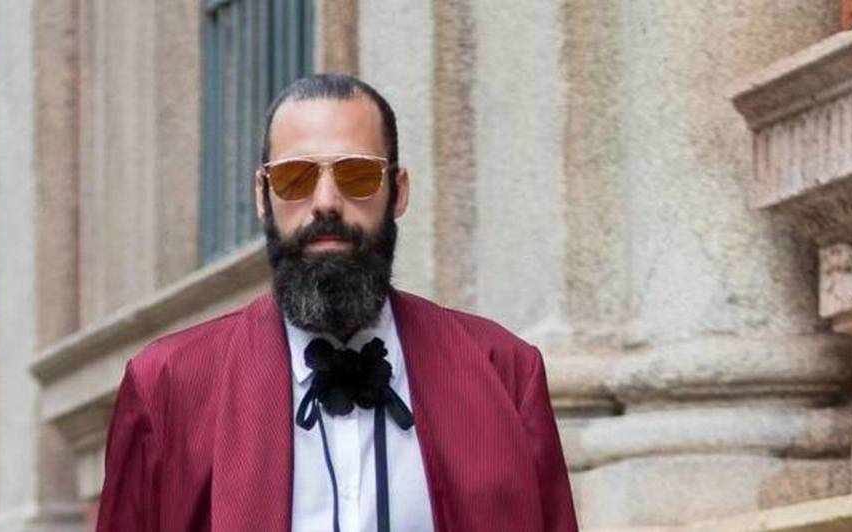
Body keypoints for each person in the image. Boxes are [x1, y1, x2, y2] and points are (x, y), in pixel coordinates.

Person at [96, 73, 577, 532]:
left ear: (399, 191)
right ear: (263, 197)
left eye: (357, 174)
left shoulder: (505, 372)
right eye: (295, 178)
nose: (326, 201)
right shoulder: (167, 385)